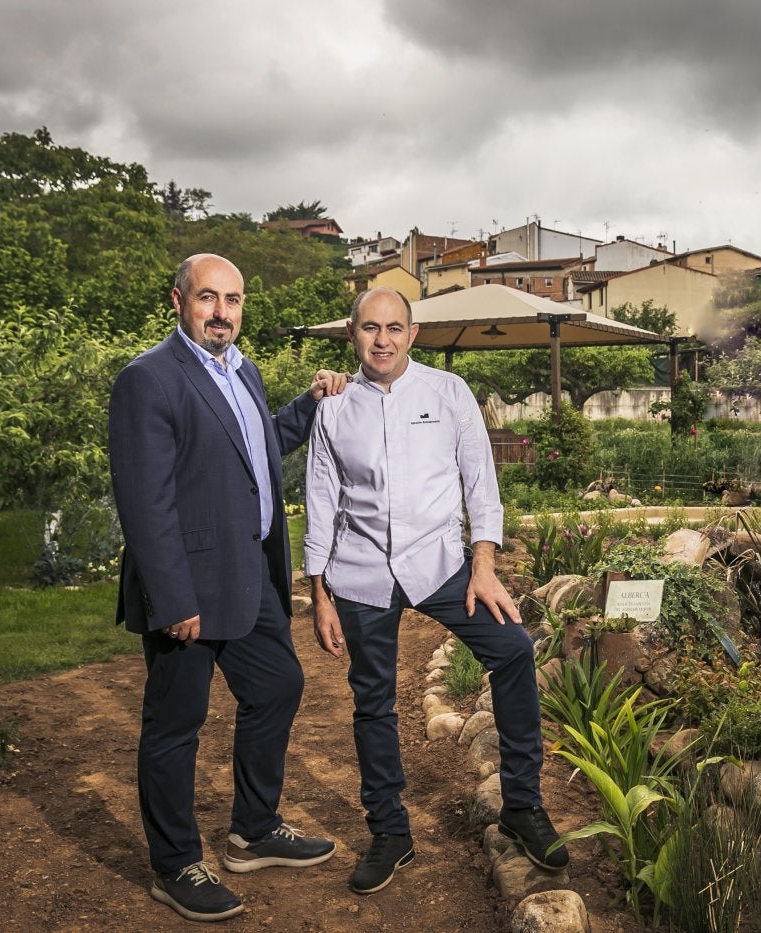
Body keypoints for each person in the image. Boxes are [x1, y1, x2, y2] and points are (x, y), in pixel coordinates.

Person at [305, 287, 568, 896]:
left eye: (394, 328)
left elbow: (480, 480)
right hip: (361, 573)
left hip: (443, 564)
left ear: (412, 333)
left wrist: (484, 565)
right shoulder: (334, 409)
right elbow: (321, 503)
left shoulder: (449, 394)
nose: (383, 340)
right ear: (353, 334)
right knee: (373, 700)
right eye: (371, 328)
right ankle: (390, 832)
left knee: (513, 650)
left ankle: (523, 805)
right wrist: (319, 592)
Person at [109, 254, 346, 923]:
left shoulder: (243, 370)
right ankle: (175, 861)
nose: (223, 311)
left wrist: (309, 404)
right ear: (179, 300)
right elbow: (144, 501)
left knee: (278, 685)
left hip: (250, 576)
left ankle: (253, 829)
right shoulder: (148, 379)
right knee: (175, 726)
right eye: (209, 297)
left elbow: (253, 449)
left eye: (234, 299)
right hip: (188, 589)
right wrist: (171, 595)